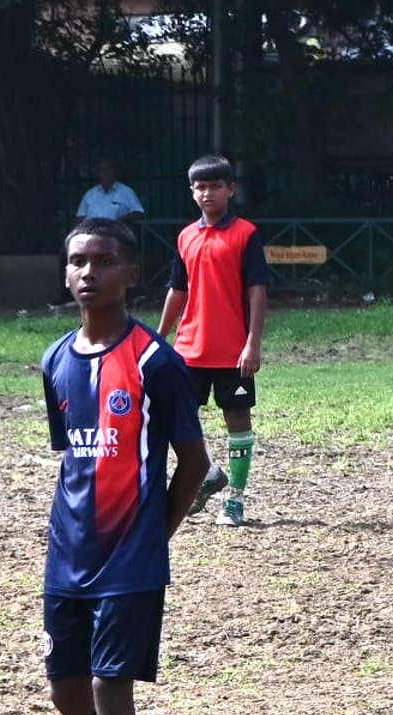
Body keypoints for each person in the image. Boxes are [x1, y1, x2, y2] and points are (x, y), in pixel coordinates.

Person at [43, 218, 210, 715]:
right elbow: (73, 457)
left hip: (130, 560)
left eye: (104, 261)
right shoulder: (56, 359)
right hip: (68, 554)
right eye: (78, 261)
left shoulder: (154, 362)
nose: (89, 273)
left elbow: (193, 462)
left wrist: (155, 534)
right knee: (66, 691)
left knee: (112, 688)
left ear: (130, 275)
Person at [155, 156, 267, 528]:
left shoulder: (246, 234)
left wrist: (252, 342)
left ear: (230, 190)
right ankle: (207, 471)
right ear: (192, 193)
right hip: (189, 348)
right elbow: (178, 290)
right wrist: (160, 337)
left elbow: (256, 291)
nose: (208, 193)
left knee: (237, 417)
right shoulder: (186, 236)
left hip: (232, 350)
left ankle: (235, 499)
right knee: (175, 416)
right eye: (200, 187)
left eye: (215, 186)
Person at [75, 157, 145, 231]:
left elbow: (139, 213)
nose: (105, 172)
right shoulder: (90, 194)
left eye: (108, 168)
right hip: (93, 236)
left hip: (116, 236)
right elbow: (80, 217)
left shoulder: (126, 192)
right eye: (101, 169)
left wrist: (122, 219)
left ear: (116, 171)